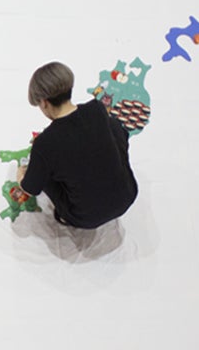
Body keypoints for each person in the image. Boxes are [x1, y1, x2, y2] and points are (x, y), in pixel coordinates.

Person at [17, 61, 138, 228]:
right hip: (127, 196)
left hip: (86, 216)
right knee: (114, 127)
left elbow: (31, 188)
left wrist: (21, 175)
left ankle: (66, 216)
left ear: (44, 102)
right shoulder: (97, 109)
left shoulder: (45, 143)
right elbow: (121, 134)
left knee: (44, 171)